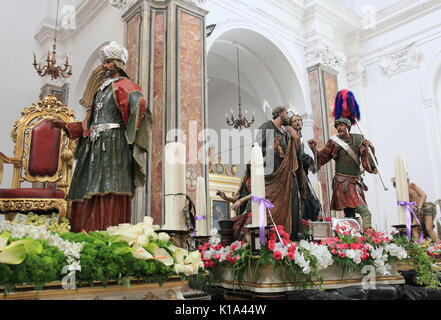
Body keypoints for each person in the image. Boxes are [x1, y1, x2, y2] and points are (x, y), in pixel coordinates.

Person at [50, 41, 152, 232]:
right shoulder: (100, 89)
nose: (104, 66)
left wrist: (139, 105)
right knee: (88, 187)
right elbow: (88, 123)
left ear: (118, 63)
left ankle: (108, 232)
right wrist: (66, 126)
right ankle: (83, 232)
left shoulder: (126, 86)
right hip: (94, 145)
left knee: (109, 187)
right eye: (104, 62)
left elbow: (136, 105)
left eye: (108, 62)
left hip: (113, 144)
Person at [308, 117, 377, 231]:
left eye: (342, 125)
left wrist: (370, 148)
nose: (339, 128)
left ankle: (359, 238)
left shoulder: (359, 139)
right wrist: (314, 149)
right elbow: (322, 158)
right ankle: (365, 235)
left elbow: (366, 163)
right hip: (342, 183)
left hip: (356, 183)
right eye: (337, 126)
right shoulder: (333, 142)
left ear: (348, 127)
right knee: (359, 213)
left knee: (355, 214)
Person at [256, 106, 306, 241]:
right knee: (274, 206)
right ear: (279, 114)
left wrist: (294, 136)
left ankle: (294, 236)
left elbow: (296, 153)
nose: (288, 116)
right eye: (286, 113)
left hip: (287, 173)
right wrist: (271, 148)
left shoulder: (286, 133)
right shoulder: (266, 127)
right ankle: (274, 237)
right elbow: (255, 150)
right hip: (273, 174)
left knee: (293, 197)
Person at [289, 114, 322, 221]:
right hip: (294, 175)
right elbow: (298, 155)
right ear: (291, 125)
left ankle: (308, 226)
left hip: (302, 174)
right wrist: (309, 159)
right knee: (304, 203)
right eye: (294, 121)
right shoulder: (291, 138)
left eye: (299, 120)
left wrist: (313, 151)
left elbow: (313, 166)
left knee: (312, 204)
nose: (298, 122)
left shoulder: (301, 138)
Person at [392, 178, 438, 243]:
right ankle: (416, 247)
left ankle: (437, 245)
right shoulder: (401, 193)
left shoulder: (411, 185)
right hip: (416, 210)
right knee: (414, 228)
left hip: (425, 207)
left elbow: (423, 195)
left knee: (429, 228)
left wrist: (420, 206)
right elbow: (406, 204)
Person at [217, 163, 252, 241]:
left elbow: (256, 193)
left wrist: (241, 200)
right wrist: (226, 198)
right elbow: (239, 200)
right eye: (249, 166)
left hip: (255, 209)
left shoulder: (259, 179)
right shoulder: (245, 181)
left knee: (246, 224)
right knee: (231, 223)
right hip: (245, 211)